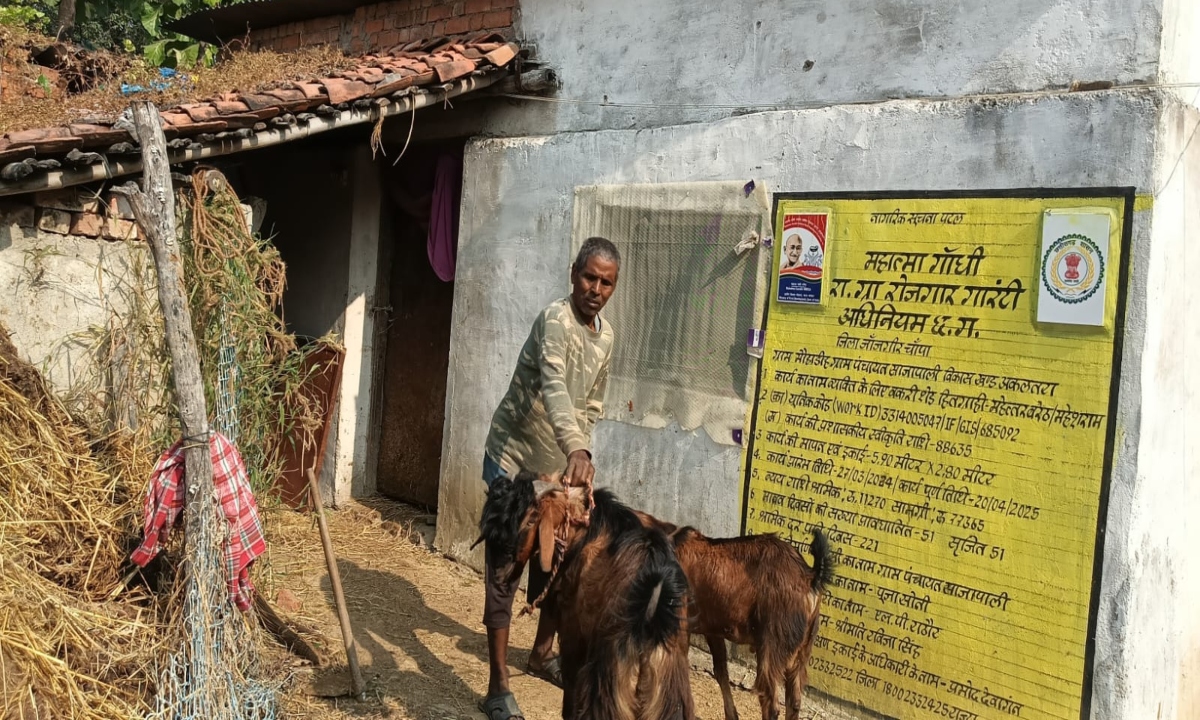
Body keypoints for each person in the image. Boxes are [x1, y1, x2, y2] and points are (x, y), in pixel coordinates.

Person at [477, 236, 620, 720]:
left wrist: (578, 461)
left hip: (556, 469)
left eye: (605, 282)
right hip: (514, 463)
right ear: (572, 273)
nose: (595, 289)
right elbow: (556, 387)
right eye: (589, 277)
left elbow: (591, 405)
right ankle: (498, 687)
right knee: (505, 571)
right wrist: (575, 446)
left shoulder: (607, 337)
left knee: (555, 566)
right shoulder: (554, 320)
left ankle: (539, 654)